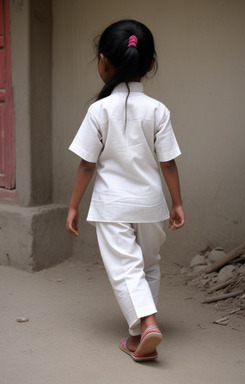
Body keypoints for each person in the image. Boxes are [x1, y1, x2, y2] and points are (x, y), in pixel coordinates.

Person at [66, 19, 185, 362]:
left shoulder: (99, 110)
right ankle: (139, 339)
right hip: (151, 205)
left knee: (125, 270)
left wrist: (73, 206)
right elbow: (169, 163)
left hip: (112, 207)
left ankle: (147, 324)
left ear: (103, 62)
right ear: (149, 64)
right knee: (148, 266)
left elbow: (87, 164)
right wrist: (177, 202)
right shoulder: (158, 110)